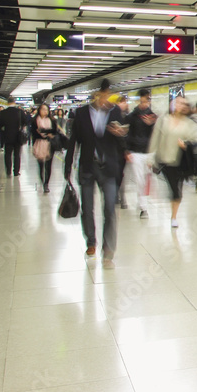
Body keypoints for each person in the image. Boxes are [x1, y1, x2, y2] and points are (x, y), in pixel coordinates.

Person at [63, 80, 127, 268]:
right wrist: (68, 167)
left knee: (109, 208)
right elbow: (73, 141)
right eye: (102, 95)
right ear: (95, 95)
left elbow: (123, 140)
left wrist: (120, 134)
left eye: (108, 95)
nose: (105, 99)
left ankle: (108, 248)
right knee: (88, 208)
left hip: (109, 168)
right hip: (87, 167)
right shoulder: (81, 113)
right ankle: (91, 242)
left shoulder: (115, 112)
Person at [148, 96, 197, 228]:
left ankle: (174, 215)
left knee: (177, 188)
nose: (180, 105)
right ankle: (174, 206)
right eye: (177, 102)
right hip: (165, 160)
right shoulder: (163, 120)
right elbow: (155, 139)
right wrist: (151, 158)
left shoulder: (189, 124)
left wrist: (186, 145)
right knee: (173, 188)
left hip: (181, 162)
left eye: (183, 103)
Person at [125, 89, 158, 219]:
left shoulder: (152, 116)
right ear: (140, 99)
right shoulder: (132, 117)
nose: (145, 103)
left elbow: (156, 135)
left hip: (149, 152)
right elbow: (127, 134)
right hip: (136, 152)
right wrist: (127, 150)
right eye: (143, 100)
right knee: (140, 180)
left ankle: (142, 200)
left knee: (147, 179)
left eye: (147, 100)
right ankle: (144, 208)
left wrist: (152, 124)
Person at [30, 103, 58, 193]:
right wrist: (45, 135)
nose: (45, 111)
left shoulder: (52, 120)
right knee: (41, 165)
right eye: (43, 109)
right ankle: (42, 179)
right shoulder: (35, 121)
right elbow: (33, 134)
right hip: (39, 144)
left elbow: (55, 132)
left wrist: (49, 134)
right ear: (39, 110)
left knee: (48, 165)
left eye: (46, 110)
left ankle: (46, 184)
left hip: (50, 145)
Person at [0, 100, 27, 177]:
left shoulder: (3, 113)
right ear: (14, 103)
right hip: (18, 136)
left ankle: (8, 171)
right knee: (17, 155)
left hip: (7, 136)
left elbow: (0, 124)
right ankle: (16, 171)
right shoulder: (20, 112)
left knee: (7, 154)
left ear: (7, 103)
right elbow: (25, 121)